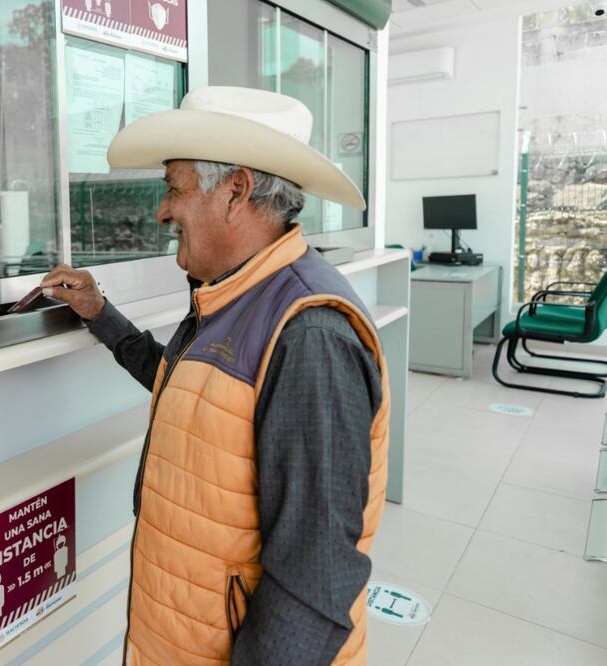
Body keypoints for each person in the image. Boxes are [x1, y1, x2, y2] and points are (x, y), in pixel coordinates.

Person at [40, 87, 389, 665]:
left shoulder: (311, 335)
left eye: (174, 189)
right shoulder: (233, 294)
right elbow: (183, 387)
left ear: (236, 191)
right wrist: (100, 315)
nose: (162, 212)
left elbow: (315, 582)